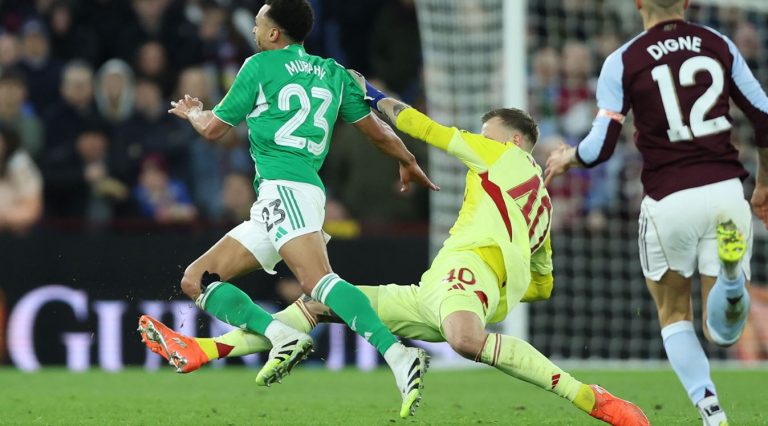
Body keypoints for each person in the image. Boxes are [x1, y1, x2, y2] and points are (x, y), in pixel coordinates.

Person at [140, 89, 650, 425]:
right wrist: (500, 282)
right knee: (318, 305)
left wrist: (375, 95)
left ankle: (591, 398)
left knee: (465, 340)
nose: (480, 140)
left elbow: (427, 130)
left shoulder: (502, 156)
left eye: (487, 133)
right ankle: (205, 349)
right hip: (438, 291)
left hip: (463, 274)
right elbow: (543, 285)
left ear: (515, 141)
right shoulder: (541, 206)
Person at [149, 0, 436, 418]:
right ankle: (283, 336)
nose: (253, 29)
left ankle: (398, 354)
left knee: (318, 282)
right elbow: (376, 131)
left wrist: (194, 112)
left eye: (258, 23)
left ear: (273, 33)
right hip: (281, 198)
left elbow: (213, 129)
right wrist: (407, 158)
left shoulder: (258, 67)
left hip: (287, 189)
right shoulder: (333, 73)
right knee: (197, 280)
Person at [544, 1, 768, 424]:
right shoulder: (718, 44)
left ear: (638, 3)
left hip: (669, 200)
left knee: (674, 315)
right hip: (725, 192)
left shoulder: (623, 59)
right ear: (687, 1)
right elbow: (764, 115)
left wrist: (568, 156)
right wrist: (765, 182)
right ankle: (731, 280)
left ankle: (712, 413)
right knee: (723, 332)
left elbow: (601, 146)